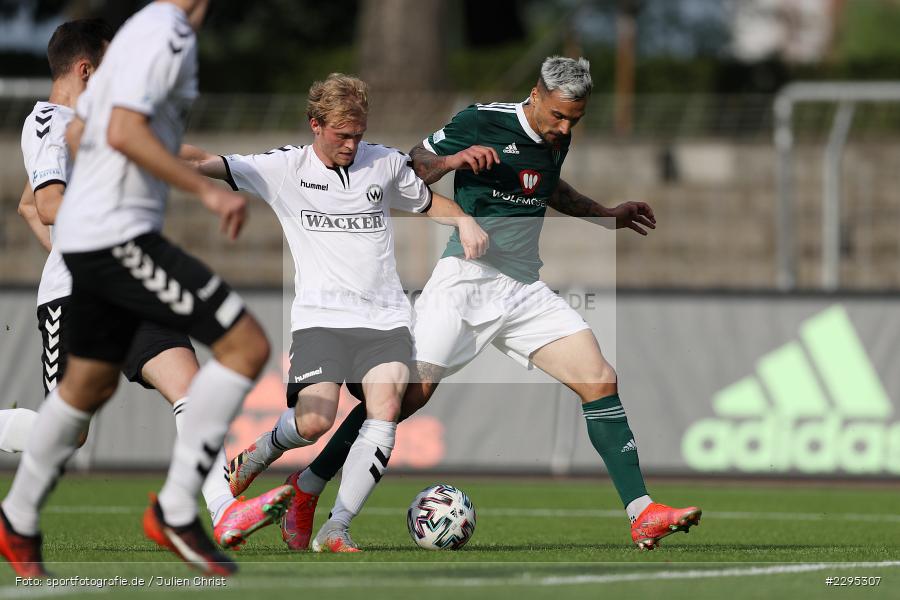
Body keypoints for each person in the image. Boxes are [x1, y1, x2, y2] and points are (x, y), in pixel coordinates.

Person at [278, 56, 701, 551]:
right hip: (465, 282)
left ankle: (642, 513)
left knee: (599, 378)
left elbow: (545, 186)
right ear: (536, 95)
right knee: (400, 400)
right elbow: (413, 169)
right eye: (559, 116)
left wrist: (605, 213)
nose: (565, 129)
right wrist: (456, 160)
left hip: (522, 290)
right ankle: (308, 487)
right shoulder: (481, 120)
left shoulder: (557, 135)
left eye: (575, 120)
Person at [0, 1, 291, 578]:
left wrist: (230, 170)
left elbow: (38, 197)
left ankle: (217, 510)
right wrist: (197, 194)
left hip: (119, 269)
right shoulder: (57, 114)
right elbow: (48, 200)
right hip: (96, 275)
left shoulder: (102, 105)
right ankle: (173, 511)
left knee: (183, 388)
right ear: (87, 68)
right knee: (76, 429)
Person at [181, 73, 488, 552]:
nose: (351, 144)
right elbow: (205, 161)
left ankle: (336, 527)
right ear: (315, 125)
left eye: (358, 135)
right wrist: (142, 147)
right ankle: (258, 455)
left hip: (385, 319)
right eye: (342, 135)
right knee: (314, 422)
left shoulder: (385, 163)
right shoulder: (284, 168)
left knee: (386, 409)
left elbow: (428, 203)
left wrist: (464, 221)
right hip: (321, 320)